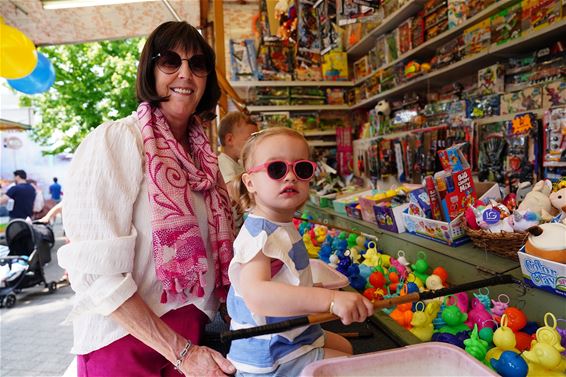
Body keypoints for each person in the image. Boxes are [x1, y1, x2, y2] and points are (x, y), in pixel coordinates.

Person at [57, 21, 236, 377]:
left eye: (197, 64)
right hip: (125, 341)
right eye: (170, 61)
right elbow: (95, 274)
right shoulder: (118, 141)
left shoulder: (205, 159)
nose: (185, 73)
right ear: (149, 71)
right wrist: (180, 352)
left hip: (192, 337)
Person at [227, 127, 373, 376]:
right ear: (250, 182)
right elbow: (257, 295)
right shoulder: (261, 235)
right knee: (352, 369)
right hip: (272, 352)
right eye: (276, 169)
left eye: (301, 169)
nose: (290, 177)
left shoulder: (278, 223)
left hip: (291, 332)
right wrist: (331, 300)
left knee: (345, 347)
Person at [218, 112, 258, 186]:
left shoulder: (239, 163)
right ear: (229, 140)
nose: (254, 144)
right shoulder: (223, 164)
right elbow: (233, 194)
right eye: (250, 140)